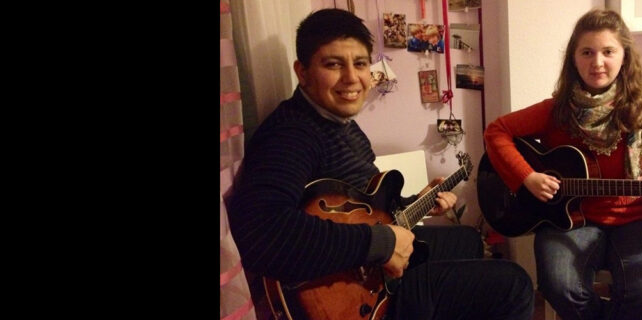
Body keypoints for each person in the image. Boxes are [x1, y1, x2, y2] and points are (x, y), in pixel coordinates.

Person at [224, 8, 533, 320]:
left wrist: (418, 202)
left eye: (360, 64)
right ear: (302, 72)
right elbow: (261, 232)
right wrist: (381, 243)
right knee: (514, 284)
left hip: (371, 262)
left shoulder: (343, 125)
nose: (351, 78)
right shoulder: (291, 134)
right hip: (354, 287)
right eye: (333, 64)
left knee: (466, 240)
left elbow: (369, 208)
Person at [483, 8, 642, 320]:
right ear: (574, 59)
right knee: (561, 287)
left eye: (608, 51)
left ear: (624, 56)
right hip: (574, 221)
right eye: (587, 52)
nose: (597, 62)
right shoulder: (558, 110)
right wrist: (527, 176)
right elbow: (497, 131)